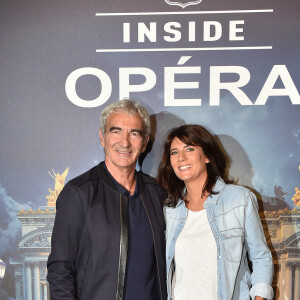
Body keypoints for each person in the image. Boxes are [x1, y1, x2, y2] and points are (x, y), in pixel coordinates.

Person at [47, 99, 167, 300]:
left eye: (134, 133)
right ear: (102, 137)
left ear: (145, 142)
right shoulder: (78, 193)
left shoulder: (157, 193)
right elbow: (61, 269)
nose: (125, 142)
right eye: (116, 131)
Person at [157, 124, 274, 300]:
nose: (181, 157)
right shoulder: (169, 208)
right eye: (174, 152)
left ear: (207, 156)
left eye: (189, 149)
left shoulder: (239, 199)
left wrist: (260, 297)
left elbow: (261, 258)